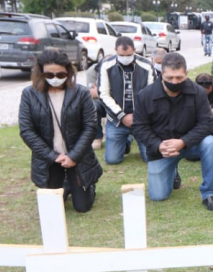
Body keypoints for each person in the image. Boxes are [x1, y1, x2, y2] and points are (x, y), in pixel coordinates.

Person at [133, 53, 213, 211]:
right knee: (158, 196)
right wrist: (158, 145)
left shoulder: (198, 93)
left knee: (211, 142)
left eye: (179, 78)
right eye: (169, 78)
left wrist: (182, 142)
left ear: (186, 73)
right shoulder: (145, 95)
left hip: (191, 144)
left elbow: (207, 123)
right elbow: (139, 127)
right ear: (161, 73)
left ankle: (210, 193)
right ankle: (172, 171)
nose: (174, 82)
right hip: (162, 149)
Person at [19, 48, 103, 213]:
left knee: (82, 207)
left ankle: (85, 186)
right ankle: (66, 183)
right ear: (41, 73)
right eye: (49, 75)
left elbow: (90, 127)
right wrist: (53, 156)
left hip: (76, 155)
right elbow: (26, 130)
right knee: (53, 206)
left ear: (68, 72)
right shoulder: (29, 94)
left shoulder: (81, 93)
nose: (55, 79)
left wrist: (73, 156)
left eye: (61, 75)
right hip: (50, 158)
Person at [98, 37, 154, 165]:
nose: (125, 58)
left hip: (142, 120)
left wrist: (137, 115)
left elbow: (151, 94)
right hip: (116, 121)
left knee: (150, 157)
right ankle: (126, 140)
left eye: (129, 55)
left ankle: (128, 139)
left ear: (134, 50)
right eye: (121, 55)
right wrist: (122, 116)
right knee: (112, 160)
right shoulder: (106, 65)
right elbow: (103, 94)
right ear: (115, 51)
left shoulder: (146, 65)